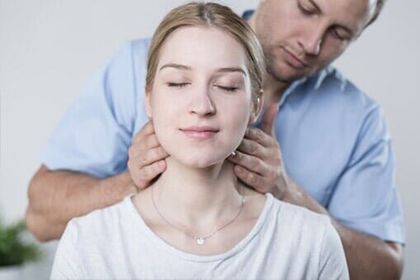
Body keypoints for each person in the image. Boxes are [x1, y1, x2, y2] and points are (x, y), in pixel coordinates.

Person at [27, 0, 404, 279]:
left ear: (254, 105)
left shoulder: (359, 122)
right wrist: (135, 181)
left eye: (339, 33)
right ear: (149, 99)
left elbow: (386, 270)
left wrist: (289, 194)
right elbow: (40, 217)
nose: (311, 43)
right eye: (307, 8)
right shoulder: (137, 64)